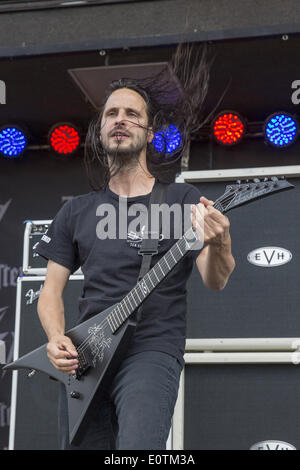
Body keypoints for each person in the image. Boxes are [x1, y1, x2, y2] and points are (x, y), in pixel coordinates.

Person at [35, 45, 235, 450]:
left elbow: (215, 280)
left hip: (151, 350)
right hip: (86, 358)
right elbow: (50, 292)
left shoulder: (181, 200)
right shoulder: (76, 211)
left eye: (132, 114)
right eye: (112, 113)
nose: (120, 120)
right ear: (101, 129)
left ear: (148, 132)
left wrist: (222, 240)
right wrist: (56, 338)